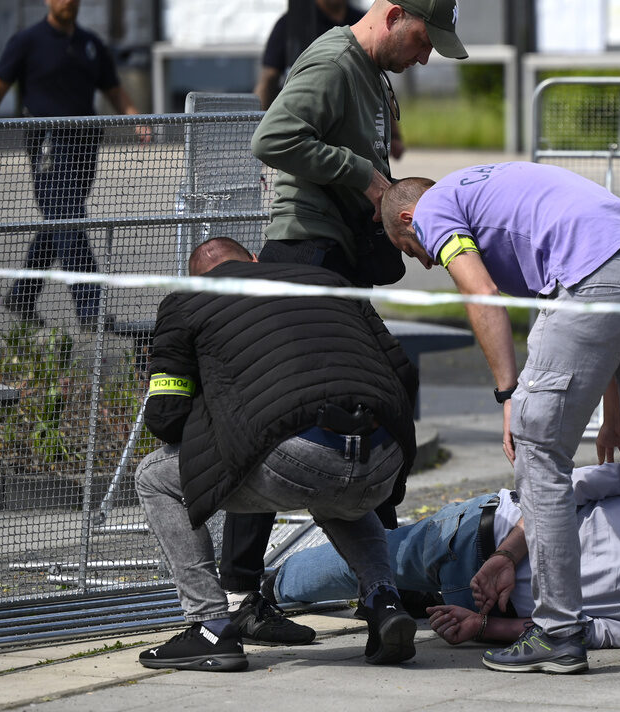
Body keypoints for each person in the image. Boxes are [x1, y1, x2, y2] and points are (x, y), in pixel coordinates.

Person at [379, 162, 620, 674]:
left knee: (538, 449)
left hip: (598, 276)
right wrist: (612, 419)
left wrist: (510, 393)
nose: (421, 261)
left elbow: (480, 294)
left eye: (408, 248)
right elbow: (611, 327)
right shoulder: (495, 195)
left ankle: (557, 634)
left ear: (409, 218)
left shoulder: (434, 209)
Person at [225, 0, 464, 645]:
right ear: (393, 15)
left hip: (335, 262)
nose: (425, 55)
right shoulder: (335, 59)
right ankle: (245, 591)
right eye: (422, 39)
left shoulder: (370, 73)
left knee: (386, 394)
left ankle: (379, 585)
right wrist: (365, 178)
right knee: (281, 411)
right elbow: (271, 139)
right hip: (304, 256)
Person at [132, 237, 422, 672]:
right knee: (340, 487)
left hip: (300, 457)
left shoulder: (187, 303)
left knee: (153, 476)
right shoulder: (327, 282)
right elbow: (403, 372)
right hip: (382, 454)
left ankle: (210, 626)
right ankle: (383, 601)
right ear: (252, 259)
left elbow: (165, 416)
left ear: (194, 280)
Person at [270, 463, 620, 651]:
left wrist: (504, 555)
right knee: (403, 592)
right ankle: (407, 606)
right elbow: (590, 631)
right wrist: (482, 627)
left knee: (373, 559)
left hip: (484, 536)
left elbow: (566, 490)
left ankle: (263, 590)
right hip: (487, 610)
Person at [0, 0, 151, 330]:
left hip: (85, 145)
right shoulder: (27, 41)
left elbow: (115, 90)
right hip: (48, 143)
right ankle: (90, 307)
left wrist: (137, 119)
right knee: (68, 218)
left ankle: (22, 295)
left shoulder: (91, 44)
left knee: (59, 219)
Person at [254, 0, 405, 160]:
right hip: (314, 127)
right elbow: (268, 79)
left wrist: (393, 135)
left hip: (356, 129)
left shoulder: (362, 21)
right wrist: (257, 127)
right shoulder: (291, 24)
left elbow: (378, 83)